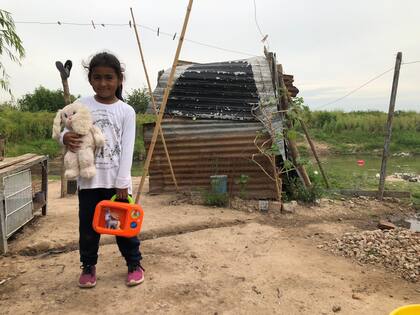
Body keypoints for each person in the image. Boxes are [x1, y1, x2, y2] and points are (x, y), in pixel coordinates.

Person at [61, 52, 144, 288]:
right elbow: (62, 127)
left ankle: (134, 264)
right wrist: (65, 138)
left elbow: (127, 148)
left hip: (114, 184)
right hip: (88, 182)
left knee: (122, 229)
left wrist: (122, 181)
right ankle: (88, 267)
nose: (103, 83)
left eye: (109, 77)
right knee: (87, 229)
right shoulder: (81, 104)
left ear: (119, 80)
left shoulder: (127, 111)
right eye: (97, 77)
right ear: (90, 79)